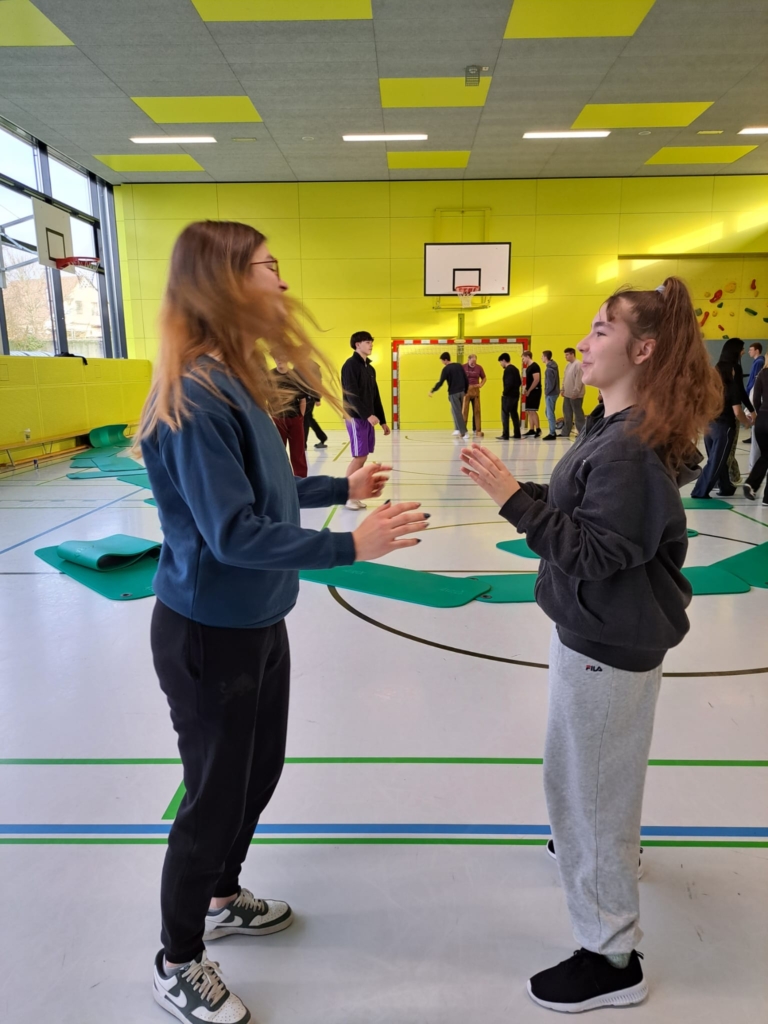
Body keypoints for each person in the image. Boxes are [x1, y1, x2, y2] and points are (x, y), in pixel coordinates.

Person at [137, 221, 429, 1024]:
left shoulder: (236, 380)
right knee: (212, 797)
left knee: (257, 774)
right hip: (209, 634)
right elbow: (233, 533)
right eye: (270, 267)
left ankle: (221, 895)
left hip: (261, 620)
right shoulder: (194, 396)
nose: (283, 282)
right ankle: (177, 959)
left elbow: (261, 491)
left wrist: (339, 490)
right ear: (225, 280)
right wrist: (349, 546)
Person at [460, 277, 721, 1013]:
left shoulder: (630, 448)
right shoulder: (616, 429)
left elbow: (599, 551)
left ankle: (611, 957)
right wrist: (529, 494)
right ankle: (606, 848)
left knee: (588, 794)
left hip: (607, 642)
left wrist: (514, 502)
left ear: (643, 350)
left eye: (601, 329)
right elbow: (586, 507)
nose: (583, 341)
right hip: (598, 634)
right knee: (595, 776)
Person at [692, 338, 754, 498]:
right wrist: (747, 422)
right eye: (742, 349)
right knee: (716, 461)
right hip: (723, 427)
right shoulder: (732, 385)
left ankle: (726, 486)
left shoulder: (714, 382)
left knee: (718, 458)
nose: (743, 352)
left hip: (709, 424)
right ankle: (699, 491)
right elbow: (737, 410)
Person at [341, 331, 390, 511]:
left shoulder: (370, 368)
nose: (371, 345)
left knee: (363, 455)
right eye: (367, 342)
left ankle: (354, 494)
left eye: (371, 342)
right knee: (359, 456)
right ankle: (347, 495)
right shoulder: (350, 365)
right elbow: (351, 394)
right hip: (355, 417)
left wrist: (382, 420)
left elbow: (375, 396)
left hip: (367, 418)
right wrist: (366, 415)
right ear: (357, 345)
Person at [272, 359, 308, 477]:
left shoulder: (295, 376)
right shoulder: (270, 376)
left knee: (298, 453)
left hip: (295, 419)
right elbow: (263, 397)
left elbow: (302, 399)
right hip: (277, 420)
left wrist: (300, 417)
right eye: (276, 357)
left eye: (281, 357)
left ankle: (301, 479)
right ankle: (279, 478)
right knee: (278, 452)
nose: (279, 360)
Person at [743, 362, 768, 504]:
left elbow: (756, 399)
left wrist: (760, 413)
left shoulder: (762, 374)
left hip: (762, 419)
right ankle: (751, 483)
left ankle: (764, 495)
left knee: (766, 456)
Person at [429, 350, 469, 438]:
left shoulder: (446, 369)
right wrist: (465, 390)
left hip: (454, 393)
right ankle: (457, 429)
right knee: (454, 410)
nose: (442, 363)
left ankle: (464, 432)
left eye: (442, 361)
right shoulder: (459, 366)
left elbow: (440, 382)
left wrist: (433, 390)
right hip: (462, 392)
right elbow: (466, 378)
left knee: (457, 412)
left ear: (445, 360)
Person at [298, 358, 328, 450]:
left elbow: (317, 382)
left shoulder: (311, 365)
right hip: (304, 396)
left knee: (306, 419)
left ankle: (303, 444)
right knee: (308, 418)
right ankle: (322, 437)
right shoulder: (298, 364)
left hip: (308, 396)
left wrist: (317, 398)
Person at [744, 342, 764, 455]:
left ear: (757, 350)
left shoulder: (759, 362)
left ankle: (754, 435)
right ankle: (753, 435)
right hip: (752, 390)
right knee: (751, 413)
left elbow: (756, 380)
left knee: (751, 412)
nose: (749, 352)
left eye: (751, 350)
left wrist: (750, 391)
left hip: (753, 391)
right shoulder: (756, 362)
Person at [560, 346, 586, 437]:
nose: (565, 357)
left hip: (576, 395)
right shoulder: (568, 365)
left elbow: (579, 380)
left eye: (567, 355)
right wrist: (562, 389)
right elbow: (565, 378)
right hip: (567, 394)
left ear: (572, 354)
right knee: (567, 413)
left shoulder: (578, 365)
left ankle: (582, 433)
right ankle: (565, 432)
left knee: (578, 414)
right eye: (565, 355)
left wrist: (576, 392)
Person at [496, 351, 522, 440]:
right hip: (516, 395)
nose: (500, 364)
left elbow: (509, 383)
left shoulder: (508, 370)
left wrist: (505, 392)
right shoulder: (515, 369)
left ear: (504, 360)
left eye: (500, 362)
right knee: (514, 414)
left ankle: (505, 434)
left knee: (505, 415)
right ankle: (517, 433)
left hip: (508, 396)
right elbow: (519, 382)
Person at [462, 352, 486, 436]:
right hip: (466, 390)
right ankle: (463, 430)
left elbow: (484, 377)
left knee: (477, 410)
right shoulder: (463, 367)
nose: (473, 363)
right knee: (465, 410)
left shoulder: (479, 367)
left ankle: (477, 430)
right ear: (468, 360)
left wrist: (481, 384)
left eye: (475, 362)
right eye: (472, 361)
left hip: (476, 390)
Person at [521, 350, 542, 437]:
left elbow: (536, 380)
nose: (523, 361)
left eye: (523, 358)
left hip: (535, 391)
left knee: (533, 410)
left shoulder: (535, 366)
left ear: (528, 357)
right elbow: (529, 381)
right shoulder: (528, 367)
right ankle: (531, 429)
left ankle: (538, 429)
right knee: (529, 411)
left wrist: (529, 390)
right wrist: (526, 389)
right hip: (530, 391)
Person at [541, 350, 560, 440]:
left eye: (542, 356)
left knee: (549, 413)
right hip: (554, 393)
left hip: (551, 394)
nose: (541, 358)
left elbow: (550, 384)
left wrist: (546, 392)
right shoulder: (554, 367)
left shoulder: (549, 370)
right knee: (548, 412)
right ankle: (553, 428)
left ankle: (552, 433)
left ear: (545, 357)